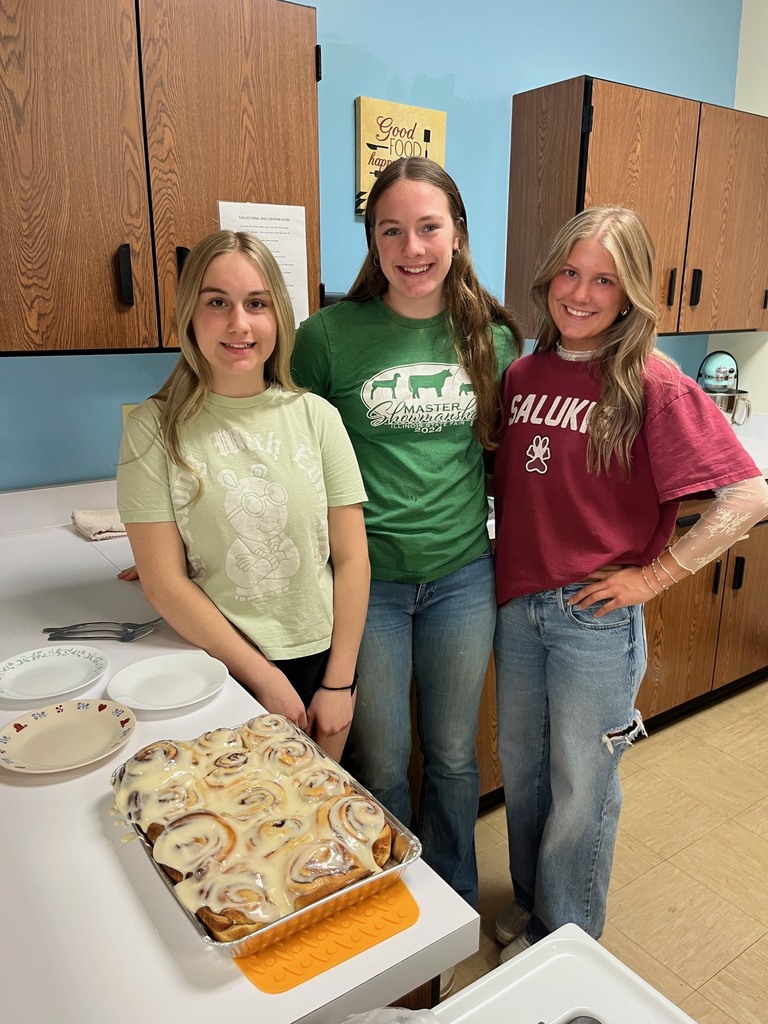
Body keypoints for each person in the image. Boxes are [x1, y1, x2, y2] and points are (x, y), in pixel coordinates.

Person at [491, 205, 768, 959]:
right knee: (525, 768)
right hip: (518, 609)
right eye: (570, 274)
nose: (580, 294)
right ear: (549, 277)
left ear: (631, 291)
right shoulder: (522, 373)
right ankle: (532, 907)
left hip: (594, 623)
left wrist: (654, 577)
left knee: (583, 784)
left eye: (604, 280)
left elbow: (749, 497)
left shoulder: (654, 384)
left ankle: (567, 938)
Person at [291, 157, 522, 907]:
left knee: (454, 757)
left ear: (457, 233)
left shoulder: (494, 338)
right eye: (392, 230)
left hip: (462, 576)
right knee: (382, 759)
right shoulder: (326, 337)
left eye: (429, 226)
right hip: (370, 589)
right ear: (373, 241)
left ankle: (449, 900)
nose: (412, 246)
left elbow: (506, 466)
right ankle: (393, 901)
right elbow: (283, 457)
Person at [116, 230, 370, 761]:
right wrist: (263, 678)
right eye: (217, 303)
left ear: (278, 315)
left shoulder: (318, 418)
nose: (239, 324)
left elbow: (350, 560)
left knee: (313, 819)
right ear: (191, 315)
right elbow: (164, 582)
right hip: (220, 663)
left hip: (324, 659)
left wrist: (339, 682)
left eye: (256, 303)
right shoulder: (152, 429)